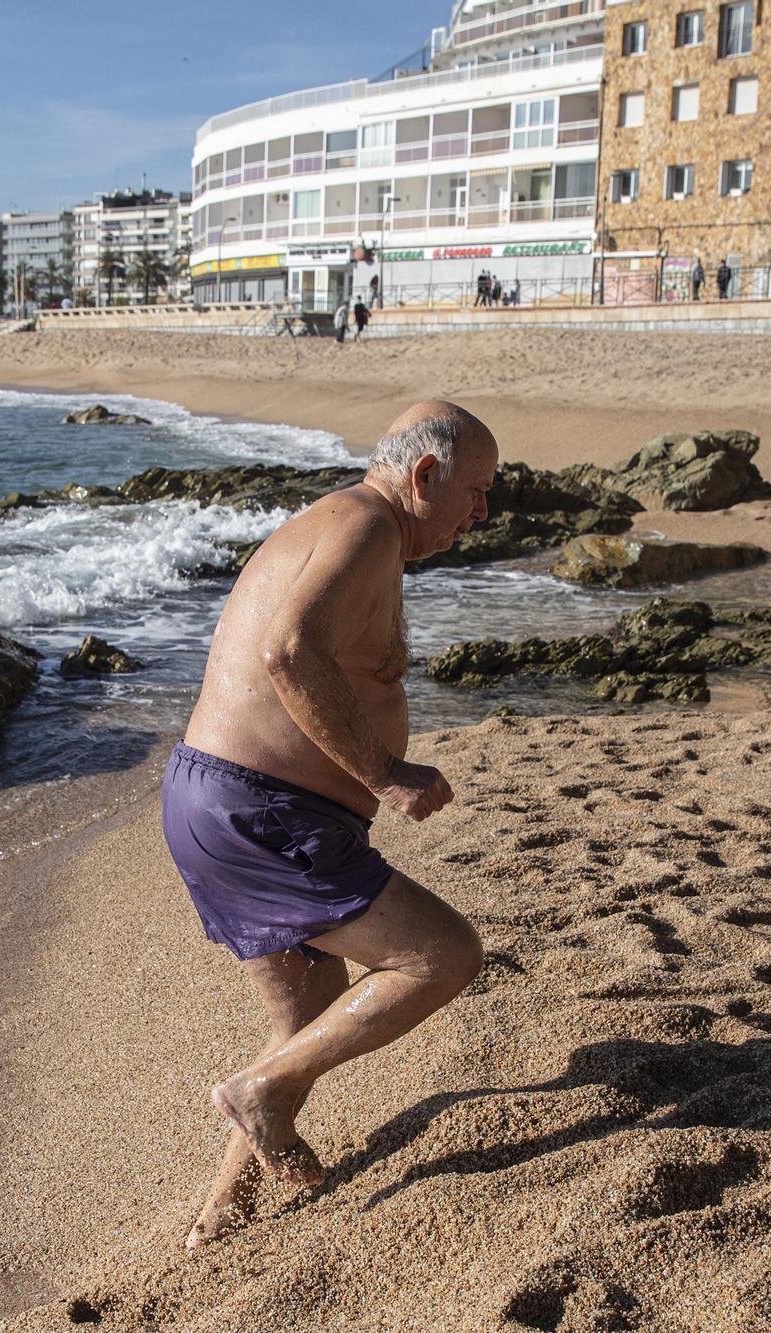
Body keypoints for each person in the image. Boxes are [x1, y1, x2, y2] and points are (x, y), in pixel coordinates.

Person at [166, 401, 496, 1248]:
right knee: (443, 954)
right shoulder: (368, 529)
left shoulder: (340, 523)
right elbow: (288, 649)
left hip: (219, 798)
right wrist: (385, 774)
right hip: (260, 807)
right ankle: (255, 1094)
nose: (481, 513)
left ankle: (220, 1219)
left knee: (307, 1021)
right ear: (425, 475)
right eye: (477, 491)